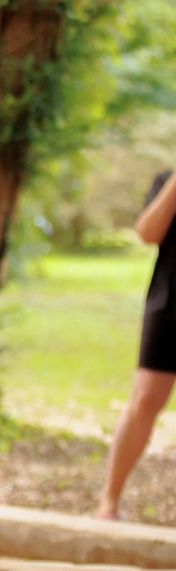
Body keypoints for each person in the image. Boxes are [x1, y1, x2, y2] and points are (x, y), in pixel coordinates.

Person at [97, 169, 176, 520]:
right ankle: (109, 503)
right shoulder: (168, 179)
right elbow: (147, 232)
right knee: (144, 400)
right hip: (169, 304)